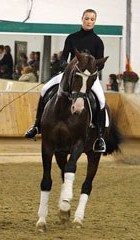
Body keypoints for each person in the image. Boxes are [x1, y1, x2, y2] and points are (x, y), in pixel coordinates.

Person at [24, 9, 107, 152]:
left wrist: (93, 69)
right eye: (87, 18)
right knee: (45, 89)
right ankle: (36, 125)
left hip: (88, 78)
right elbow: (64, 57)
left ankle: (99, 137)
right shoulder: (71, 38)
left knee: (101, 100)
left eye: (92, 19)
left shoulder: (98, 41)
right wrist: (64, 65)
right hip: (70, 74)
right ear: (82, 19)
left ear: (95, 21)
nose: (89, 21)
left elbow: (101, 63)